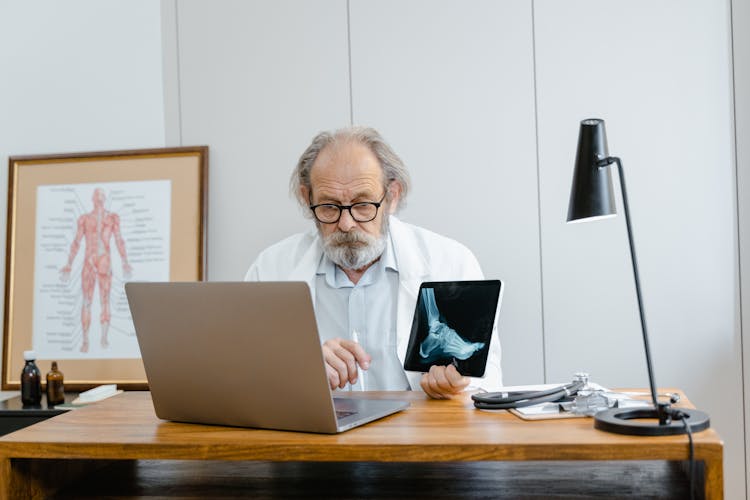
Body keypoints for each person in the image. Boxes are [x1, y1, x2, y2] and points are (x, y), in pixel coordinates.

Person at [245, 126, 501, 398]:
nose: (346, 224)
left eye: (363, 204)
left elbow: (488, 385)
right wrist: (298, 368)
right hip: (316, 438)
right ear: (307, 198)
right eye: (329, 206)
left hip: (419, 437)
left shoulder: (450, 263)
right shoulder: (270, 269)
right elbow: (243, 377)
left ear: (392, 196)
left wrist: (457, 386)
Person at [60, 188, 133, 353]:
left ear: (104, 199)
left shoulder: (112, 218)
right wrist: (69, 264)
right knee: (87, 301)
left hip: (104, 263)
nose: (99, 198)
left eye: (101, 196)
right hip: (89, 262)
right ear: (93, 199)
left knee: (104, 300)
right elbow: (77, 242)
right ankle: (86, 340)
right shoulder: (85, 219)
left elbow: (119, 240)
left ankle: (104, 338)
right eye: (96, 196)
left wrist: (125, 262)